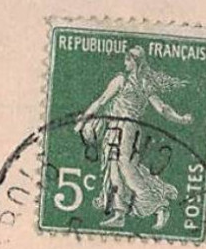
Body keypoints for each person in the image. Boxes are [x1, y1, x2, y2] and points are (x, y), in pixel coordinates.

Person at [74, 45, 194, 230]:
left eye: (128, 60)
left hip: (128, 130)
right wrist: (83, 120)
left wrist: (180, 119)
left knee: (127, 170)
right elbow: (102, 100)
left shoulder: (139, 83)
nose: (125, 63)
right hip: (114, 129)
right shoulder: (125, 80)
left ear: (136, 62)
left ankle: (158, 206)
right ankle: (119, 213)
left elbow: (161, 108)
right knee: (114, 171)